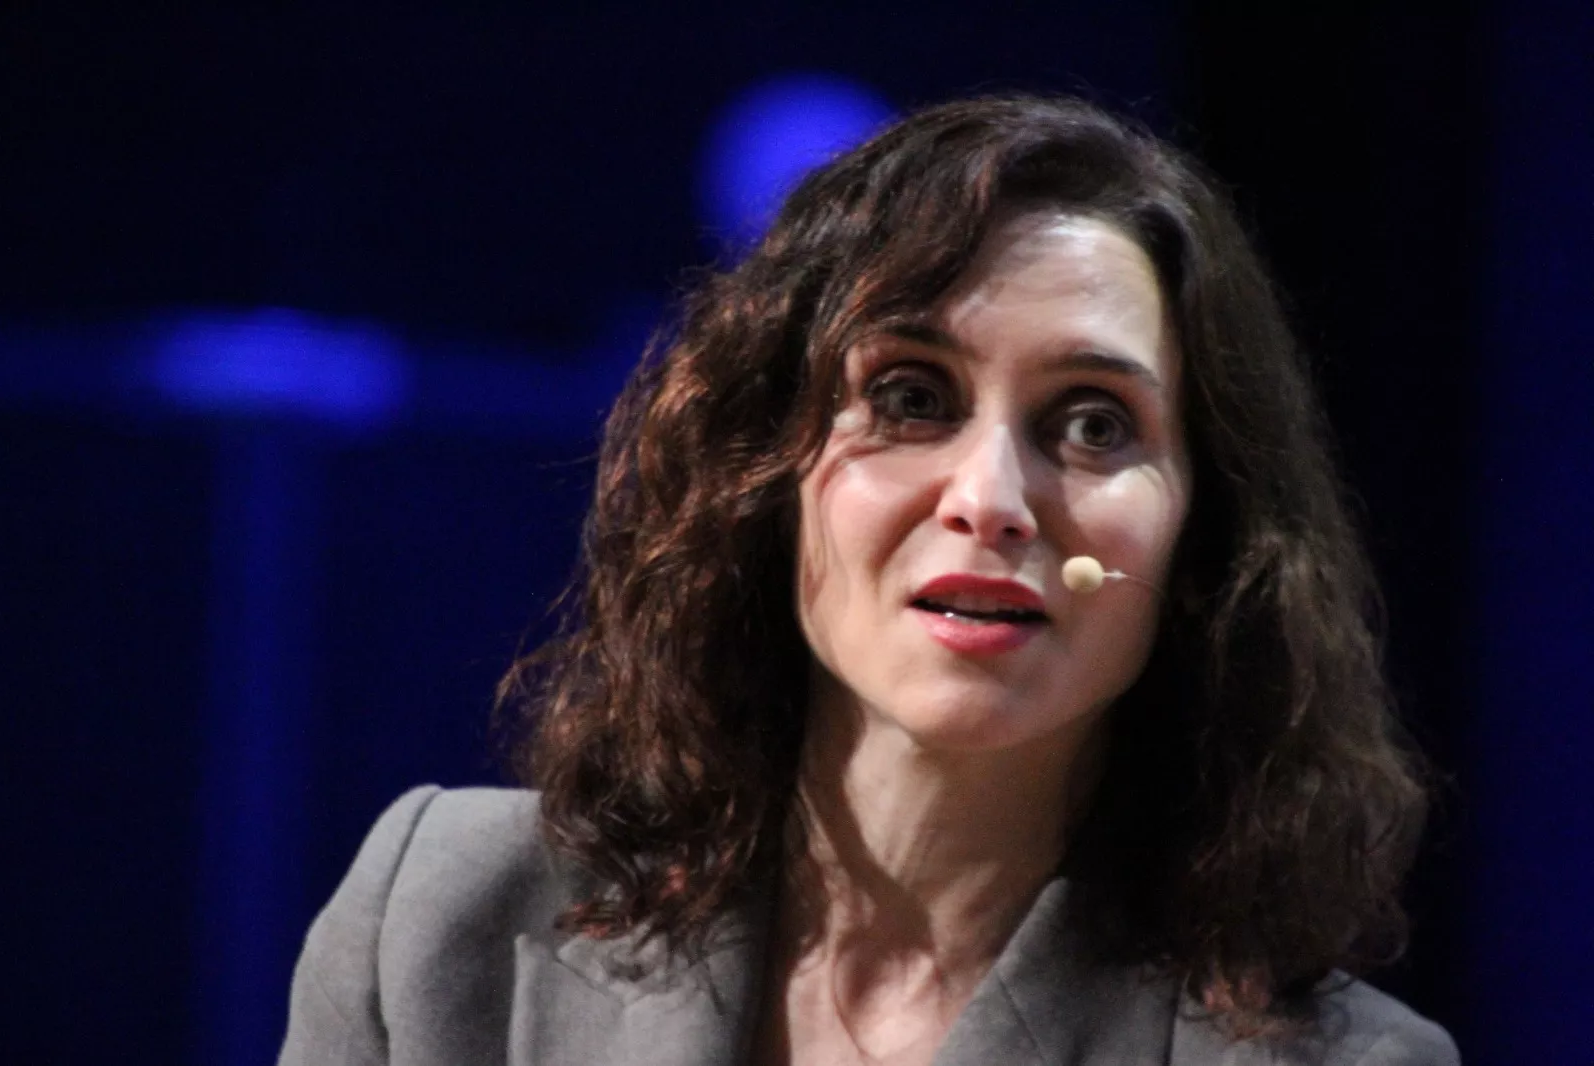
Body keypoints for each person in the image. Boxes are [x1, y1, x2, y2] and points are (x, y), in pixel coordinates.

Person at [278, 94, 1460, 1065]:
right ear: (766, 475)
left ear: (1206, 540)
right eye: (909, 398)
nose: (990, 497)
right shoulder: (439, 923)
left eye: (1095, 425)